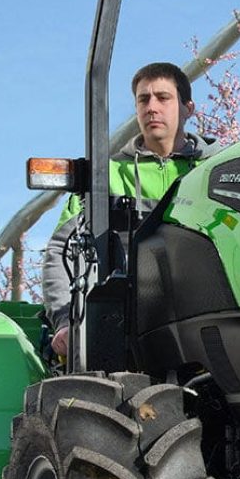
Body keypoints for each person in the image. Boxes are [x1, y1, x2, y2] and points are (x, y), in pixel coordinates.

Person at [42, 62, 214, 357]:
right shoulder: (104, 177)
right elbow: (62, 250)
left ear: (188, 108)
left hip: (203, 316)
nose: (151, 107)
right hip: (122, 323)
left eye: (163, 98)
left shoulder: (216, 171)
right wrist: (64, 320)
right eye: (143, 99)